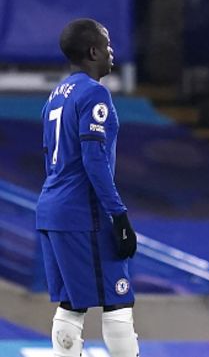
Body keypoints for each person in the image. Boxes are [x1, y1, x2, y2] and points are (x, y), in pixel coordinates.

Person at [36, 18, 139, 357]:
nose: (112, 52)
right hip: (84, 213)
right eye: (107, 45)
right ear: (93, 52)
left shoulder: (55, 95)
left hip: (51, 208)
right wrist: (118, 215)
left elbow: (49, 156)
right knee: (117, 299)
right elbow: (93, 160)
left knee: (71, 303)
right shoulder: (94, 93)